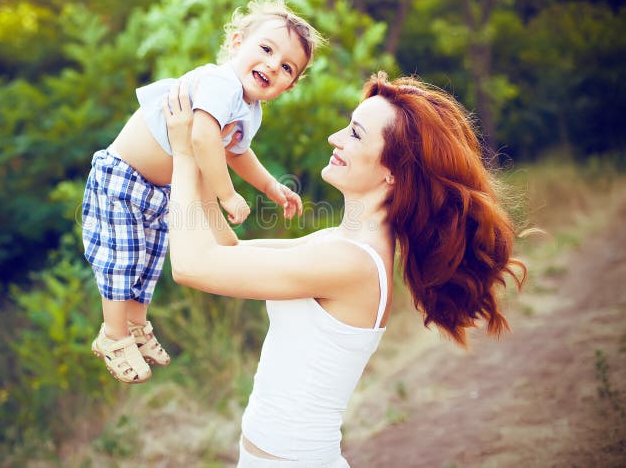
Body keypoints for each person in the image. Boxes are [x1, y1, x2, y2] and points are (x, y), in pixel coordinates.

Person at [161, 72, 527, 466]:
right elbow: (224, 250)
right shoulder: (339, 244)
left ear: (393, 172)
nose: (335, 138)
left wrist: (182, 154)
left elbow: (191, 266)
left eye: (354, 133)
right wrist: (202, 155)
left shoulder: (351, 262)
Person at [81, 0, 325, 384]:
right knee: (122, 259)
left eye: (286, 67)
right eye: (265, 49)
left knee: (149, 261)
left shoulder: (250, 111)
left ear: (289, 86)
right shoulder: (221, 83)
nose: (271, 66)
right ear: (236, 42)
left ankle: (137, 326)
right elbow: (204, 138)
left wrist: (271, 186)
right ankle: (113, 334)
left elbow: (238, 152)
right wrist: (227, 195)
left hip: (158, 189)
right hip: (123, 177)